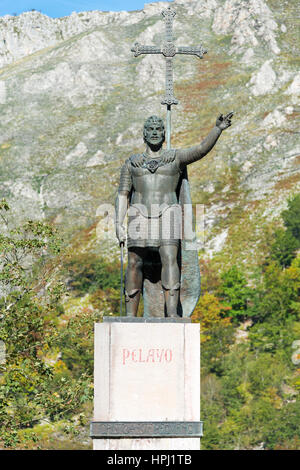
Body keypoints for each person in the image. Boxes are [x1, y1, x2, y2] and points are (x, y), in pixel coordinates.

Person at [115, 112, 233, 317]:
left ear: (164, 133)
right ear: (143, 134)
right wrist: (118, 223)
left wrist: (217, 130)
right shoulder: (132, 163)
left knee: (170, 258)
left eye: (158, 129)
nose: (154, 133)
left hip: (168, 213)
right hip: (138, 214)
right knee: (135, 262)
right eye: (150, 130)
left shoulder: (175, 158)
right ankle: (129, 317)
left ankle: (172, 315)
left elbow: (200, 150)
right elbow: (123, 194)